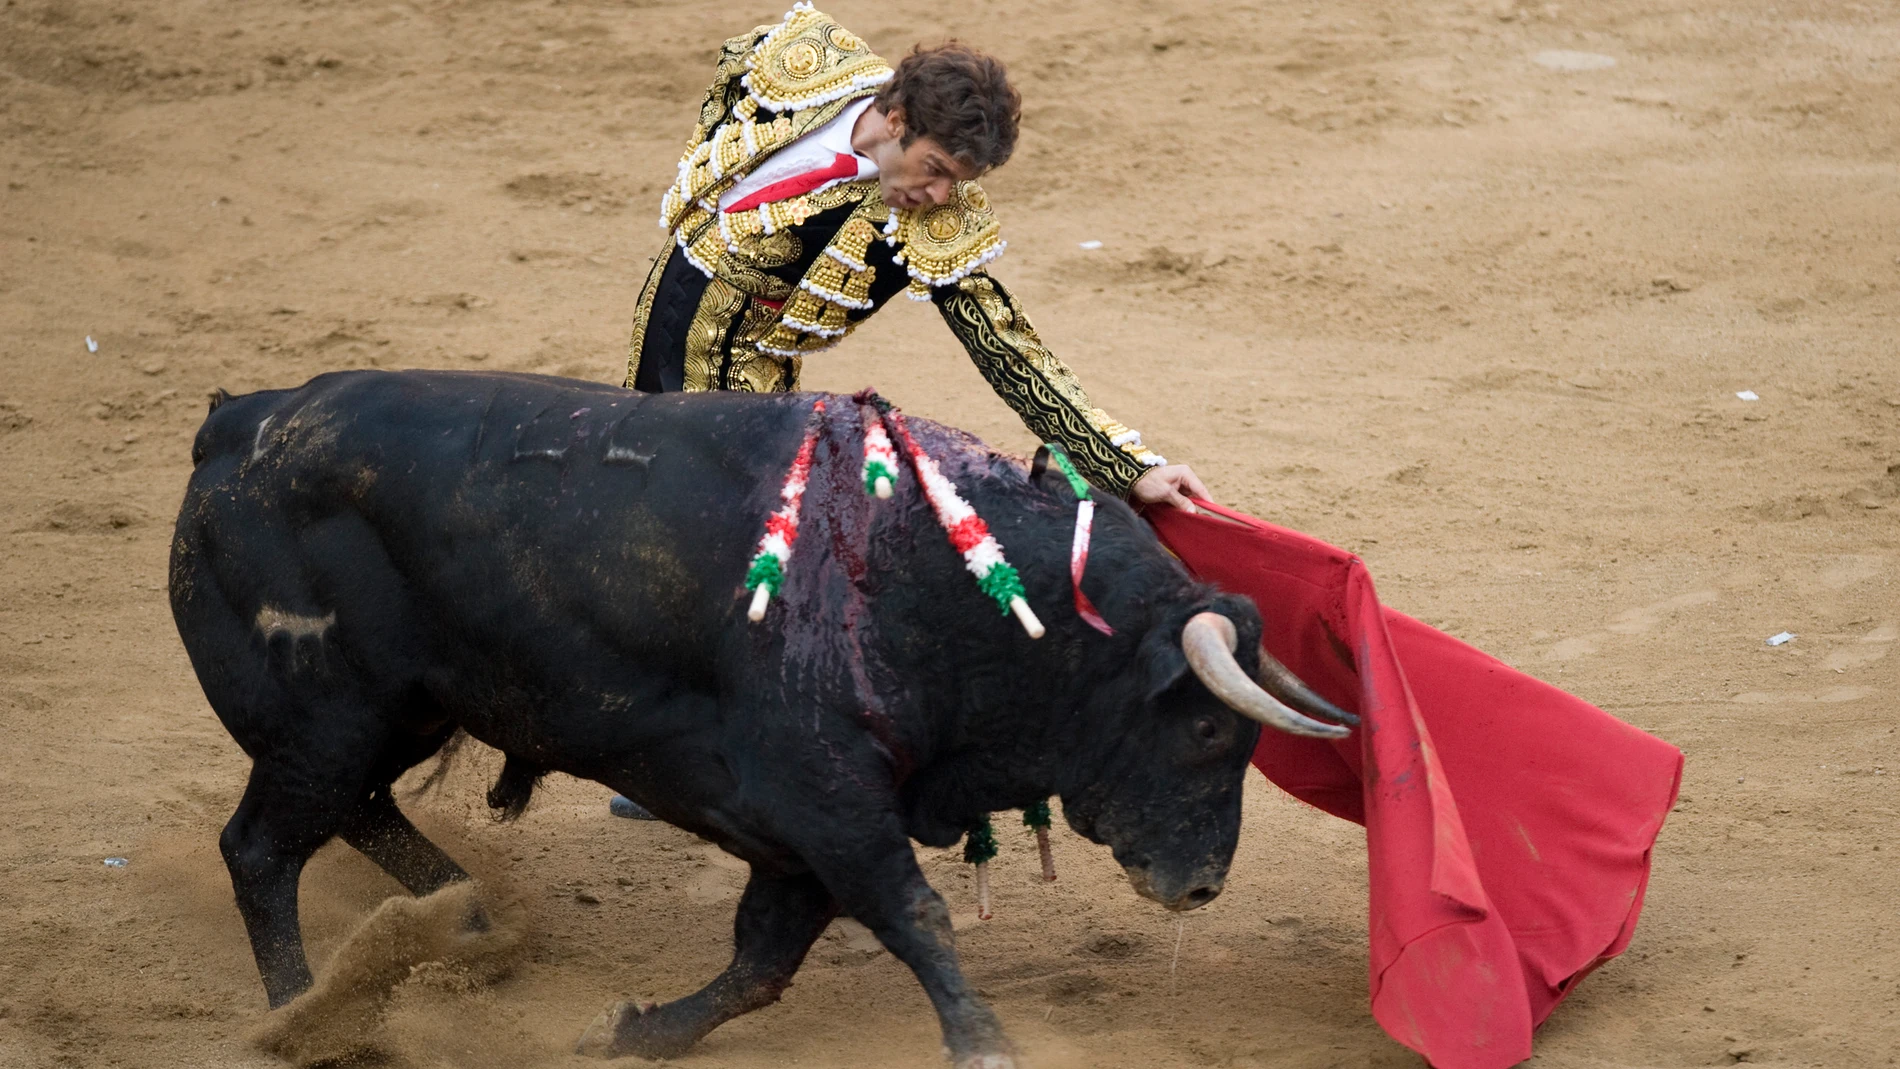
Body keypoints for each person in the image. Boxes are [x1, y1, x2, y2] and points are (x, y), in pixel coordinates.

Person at [610, 3, 1209, 820]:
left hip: (737, 387)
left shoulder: (932, 228)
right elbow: (729, 88)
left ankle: (708, 759)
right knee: (645, 531)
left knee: (725, 555)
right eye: (932, 167)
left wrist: (1127, 468)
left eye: (957, 182)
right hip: (662, 316)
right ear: (892, 119)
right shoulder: (803, 61)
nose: (937, 194)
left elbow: (1009, 349)